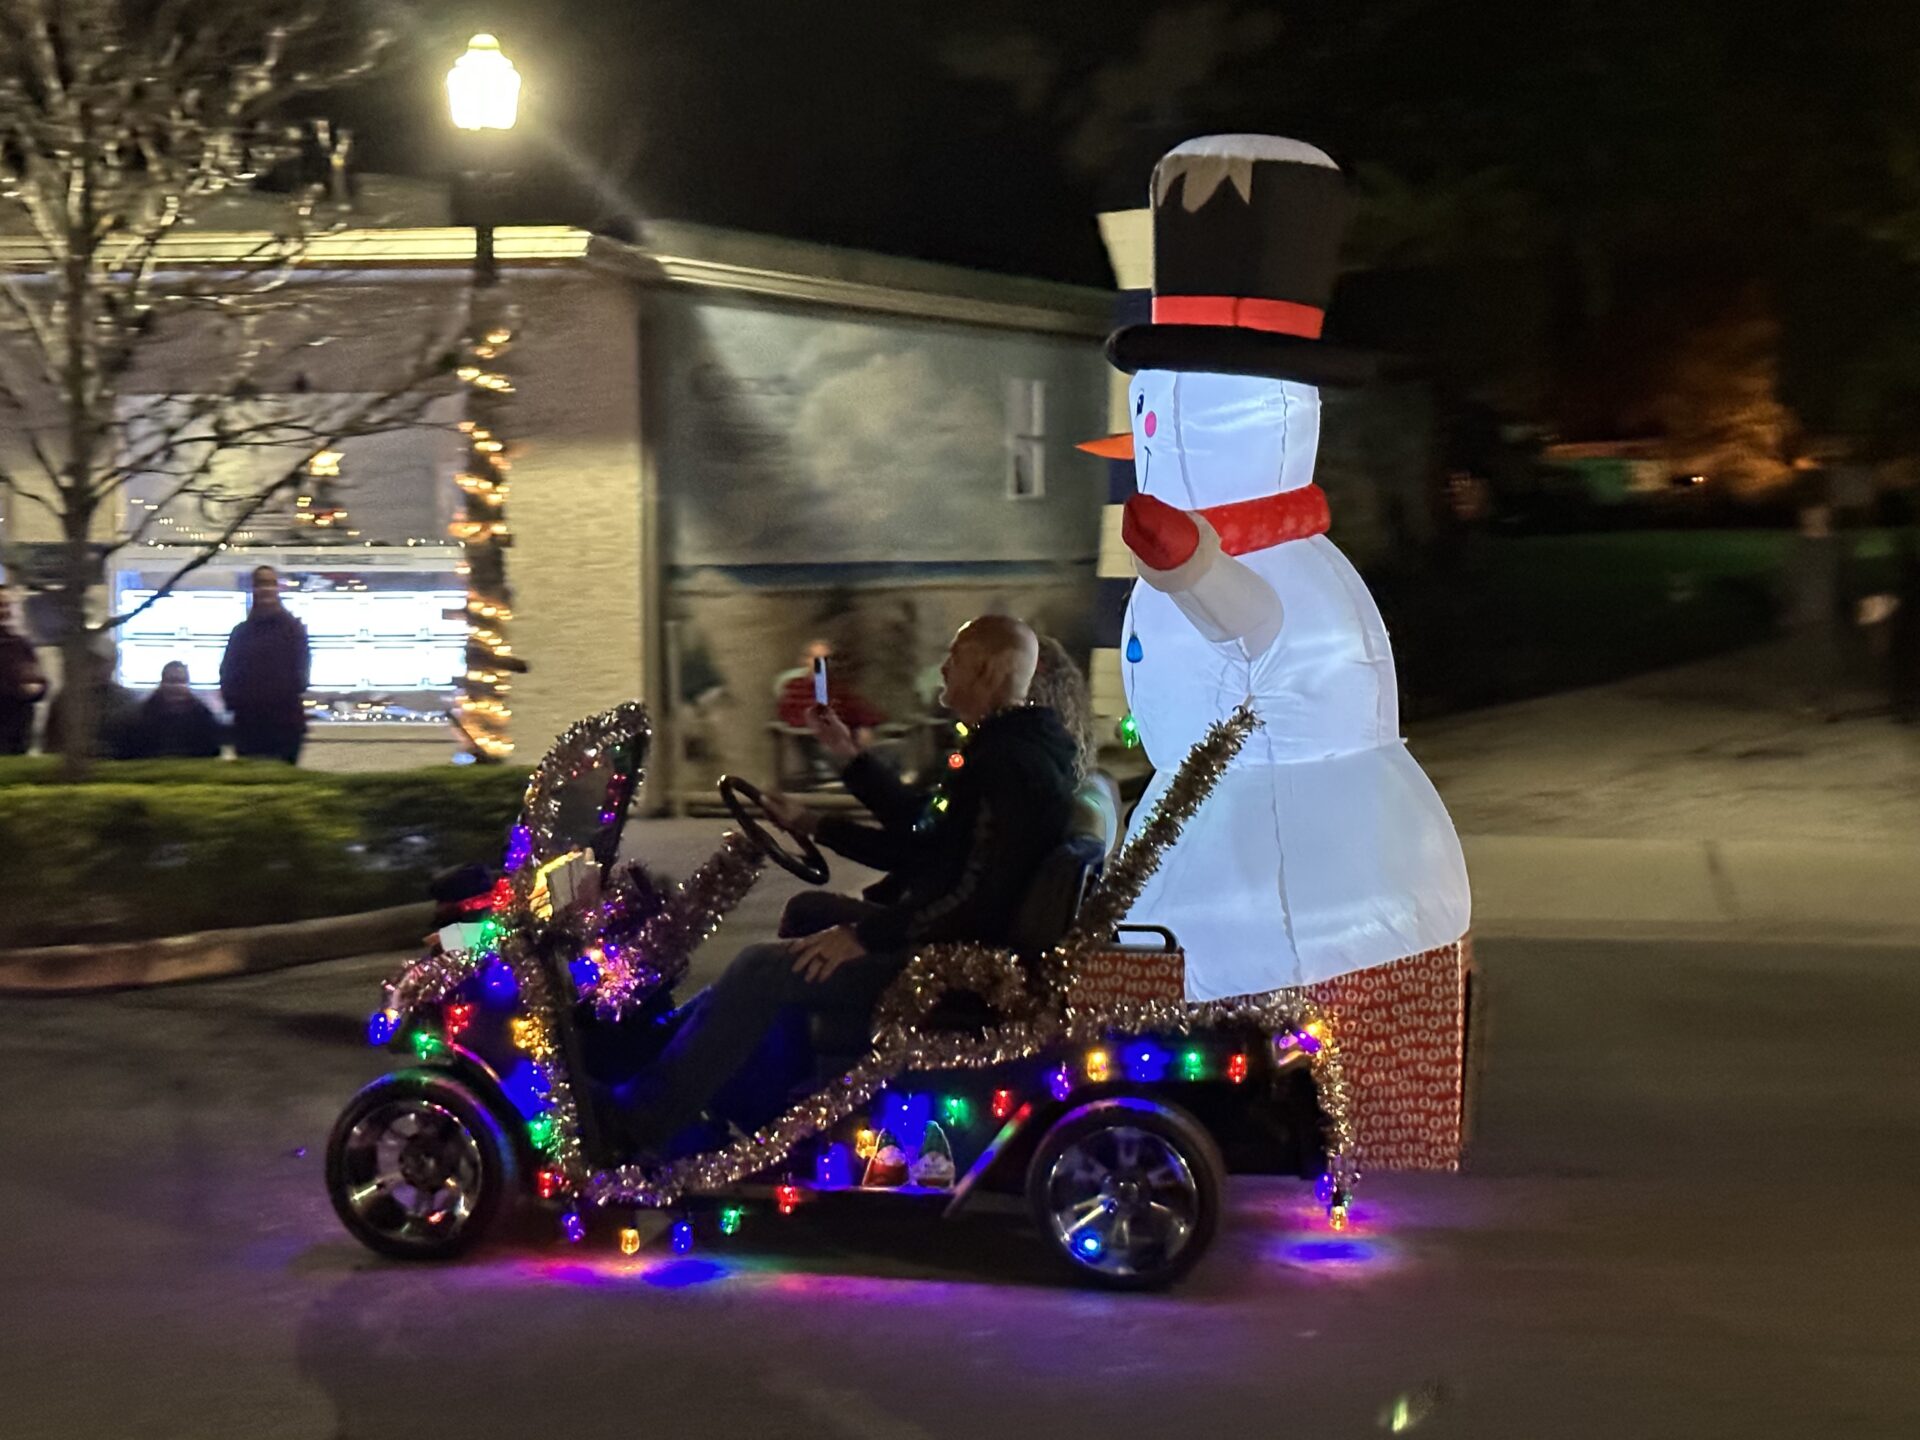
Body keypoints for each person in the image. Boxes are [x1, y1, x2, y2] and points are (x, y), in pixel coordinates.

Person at [618, 615, 1079, 1157]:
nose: (944, 667)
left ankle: (639, 1123)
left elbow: (977, 898)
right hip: (948, 934)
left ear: (987, 669)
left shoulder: (1008, 763)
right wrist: (833, 791)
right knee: (809, 912)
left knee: (758, 968)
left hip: (954, 965)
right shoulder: (997, 748)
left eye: (955, 657)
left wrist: (868, 936)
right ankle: (759, 1097)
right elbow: (921, 837)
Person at [220, 566, 310, 763]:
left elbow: (301, 678)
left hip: (283, 725)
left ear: (278, 588)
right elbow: (227, 674)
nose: (265, 589)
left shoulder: (294, 630)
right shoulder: (241, 632)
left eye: (270, 584)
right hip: (248, 725)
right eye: (260, 584)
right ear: (252, 589)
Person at [41, 645, 139, 758]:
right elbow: (51, 742)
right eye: (90, 662)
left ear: (113, 665)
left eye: (101, 663)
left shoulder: (126, 699)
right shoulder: (66, 698)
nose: (96, 669)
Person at [122, 661, 224, 759]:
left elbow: (212, 752)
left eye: (181, 681)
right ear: (162, 683)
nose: (177, 687)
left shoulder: (203, 716)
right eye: (171, 681)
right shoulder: (140, 716)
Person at [0, 588, 47, 755]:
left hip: (19, 729)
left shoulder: (20, 644)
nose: (5, 611)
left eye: (8, 605)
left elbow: (40, 680)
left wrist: (37, 688)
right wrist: (19, 688)